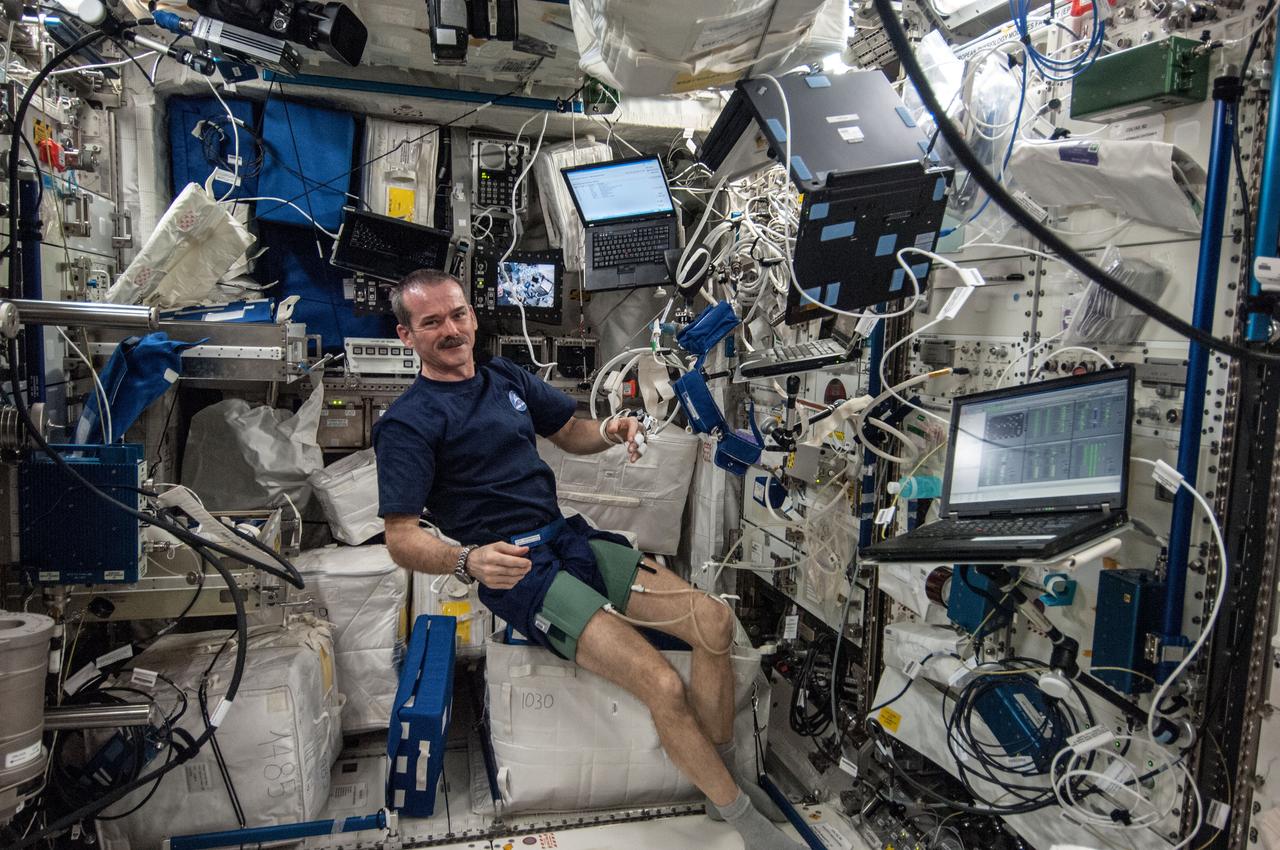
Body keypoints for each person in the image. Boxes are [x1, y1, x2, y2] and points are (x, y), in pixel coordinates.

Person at [373, 269, 801, 850]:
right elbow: (400, 536)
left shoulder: (503, 376)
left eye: (458, 315)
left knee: (715, 622)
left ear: (472, 315)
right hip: (521, 570)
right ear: (406, 336)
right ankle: (744, 820)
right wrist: (467, 560)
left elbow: (569, 431)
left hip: (567, 540)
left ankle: (720, 780)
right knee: (660, 684)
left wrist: (611, 426)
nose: (451, 330)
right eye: (432, 323)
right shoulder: (408, 422)